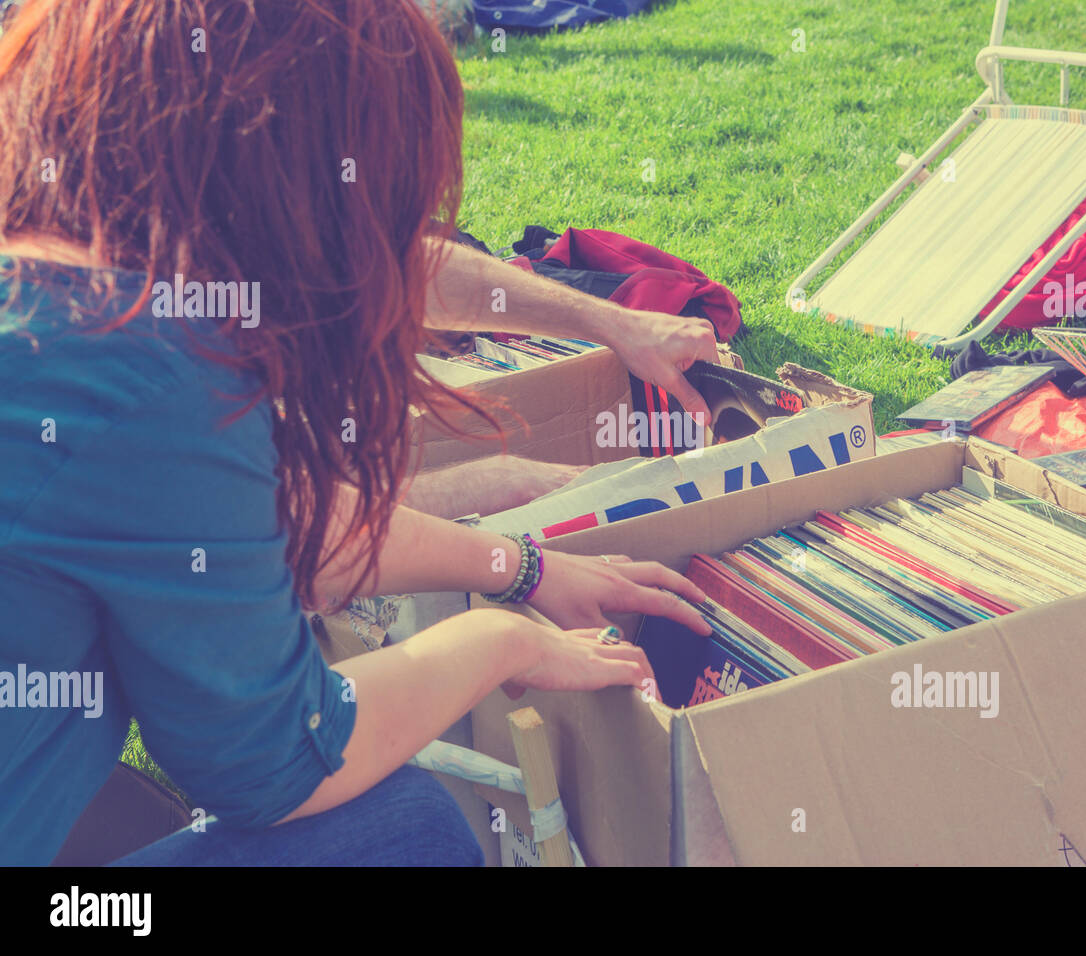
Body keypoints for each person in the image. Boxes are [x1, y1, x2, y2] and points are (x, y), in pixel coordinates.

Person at [0, 0, 716, 866]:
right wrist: (503, 637)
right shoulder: (147, 368)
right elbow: (281, 763)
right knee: (403, 832)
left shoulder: (61, 274)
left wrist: (519, 562)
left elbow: (254, 528)